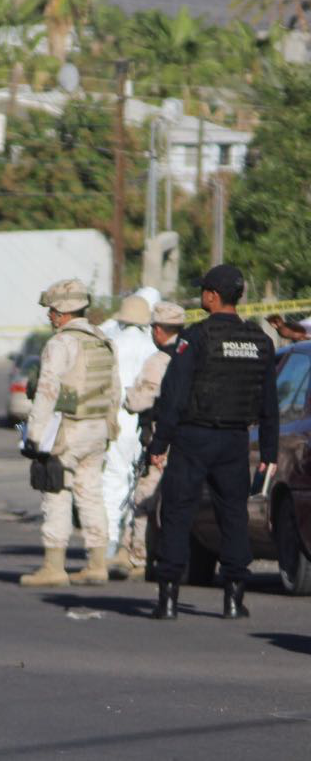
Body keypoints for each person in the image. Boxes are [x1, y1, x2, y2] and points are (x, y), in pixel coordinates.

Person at [147, 264, 278, 620]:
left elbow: (174, 397)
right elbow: (269, 403)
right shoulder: (260, 341)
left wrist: (159, 444)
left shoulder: (196, 338)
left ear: (211, 296)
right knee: (233, 516)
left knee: (177, 513)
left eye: (204, 290)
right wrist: (269, 451)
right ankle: (234, 599)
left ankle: (169, 599)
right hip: (235, 440)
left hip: (193, 438)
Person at [19, 279, 121, 588]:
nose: (49, 316)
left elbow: (47, 391)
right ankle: (97, 563)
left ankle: (54, 566)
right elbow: (114, 389)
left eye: (51, 310)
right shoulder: (103, 339)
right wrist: (110, 427)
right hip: (98, 430)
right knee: (91, 494)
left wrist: (34, 437)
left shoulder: (61, 343)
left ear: (62, 311)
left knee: (56, 495)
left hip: (68, 431)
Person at [109, 301, 186, 580]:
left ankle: (137, 557)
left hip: (161, 442)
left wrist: (131, 396)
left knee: (145, 499)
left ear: (157, 329)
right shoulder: (193, 355)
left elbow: (139, 400)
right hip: (191, 442)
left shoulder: (159, 361)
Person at [98, 295, 158, 563]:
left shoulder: (112, 344)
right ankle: (134, 547)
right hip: (144, 421)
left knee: (113, 480)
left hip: (116, 419)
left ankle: (109, 544)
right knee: (139, 483)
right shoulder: (152, 347)